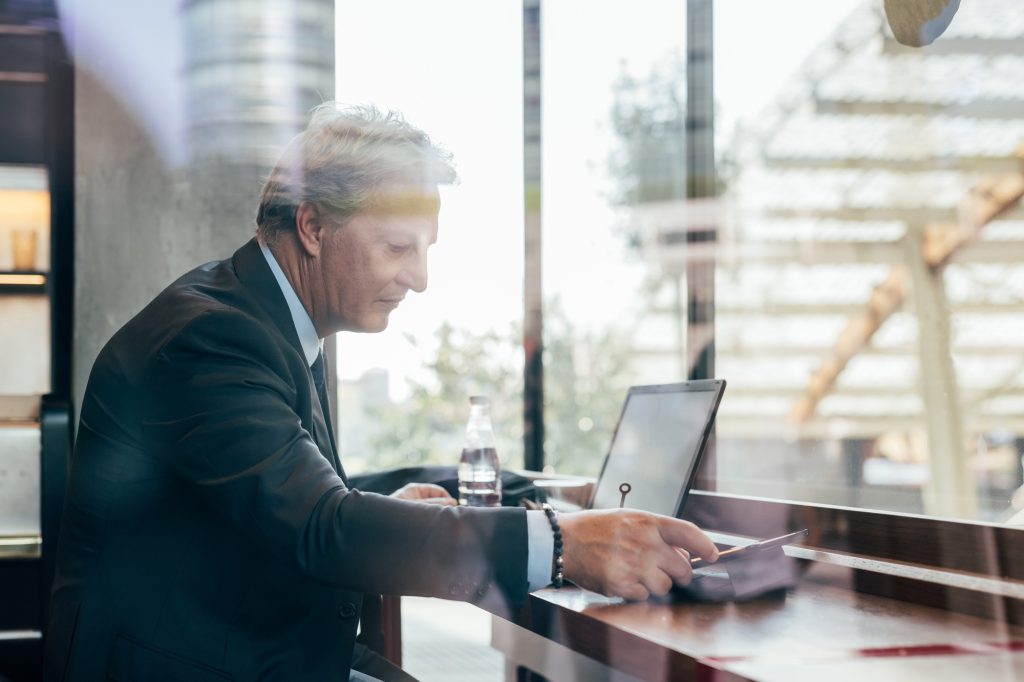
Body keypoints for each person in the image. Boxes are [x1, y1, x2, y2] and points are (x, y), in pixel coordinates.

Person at [46, 103, 719, 682]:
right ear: (312, 226)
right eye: (399, 246)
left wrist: (541, 499)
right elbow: (322, 525)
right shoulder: (213, 338)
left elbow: (309, 493)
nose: (420, 277)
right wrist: (562, 544)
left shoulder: (262, 318)